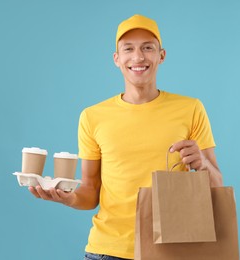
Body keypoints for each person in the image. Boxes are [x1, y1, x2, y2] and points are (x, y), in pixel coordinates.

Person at [29, 14, 223, 260]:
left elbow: (217, 185)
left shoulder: (191, 109)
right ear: (116, 59)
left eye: (147, 48)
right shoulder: (92, 117)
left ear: (161, 56)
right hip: (108, 251)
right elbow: (90, 193)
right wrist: (66, 198)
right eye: (128, 49)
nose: (138, 57)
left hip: (173, 249)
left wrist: (202, 164)